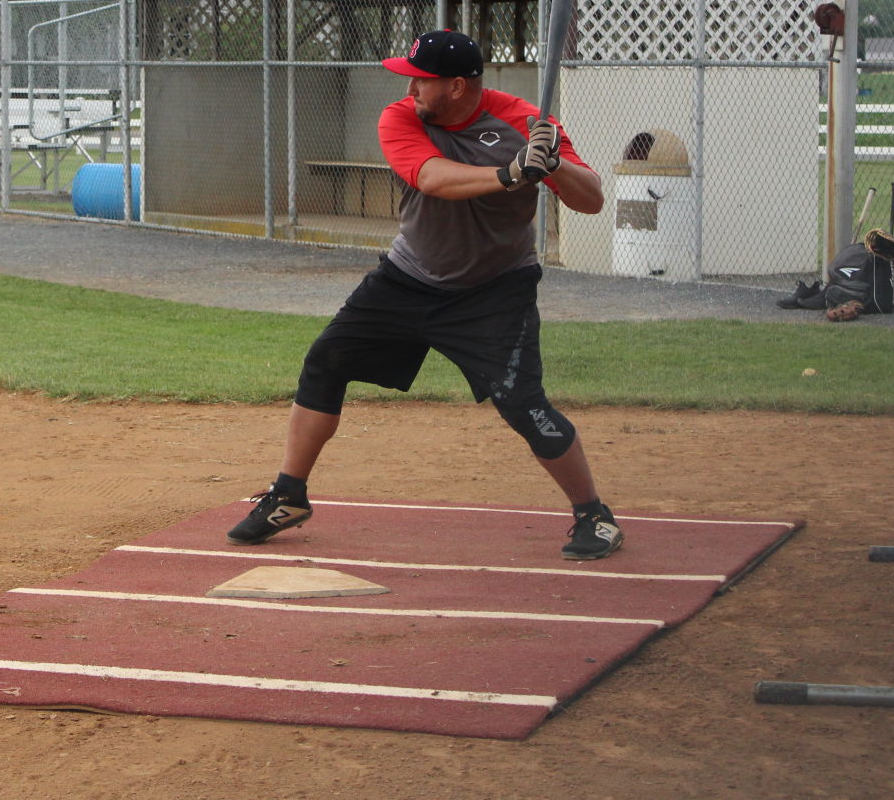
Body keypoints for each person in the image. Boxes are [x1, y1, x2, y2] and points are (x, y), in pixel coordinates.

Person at [226, 28, 623, 559]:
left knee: (522, 404)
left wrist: (555, 165)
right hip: (407, 278)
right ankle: (288, 494)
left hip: (494, 290)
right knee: (326, 360)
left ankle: (593, 514)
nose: (409, 90)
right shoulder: (402, 118)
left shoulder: (525, 123)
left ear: (457, 86)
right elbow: (434, 178)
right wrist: (510, 171)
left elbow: (591, 200)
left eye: (420, 81)